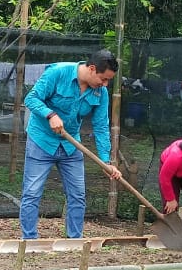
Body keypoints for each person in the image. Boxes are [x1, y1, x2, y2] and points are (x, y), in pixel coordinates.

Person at [19, 49, 123, 239]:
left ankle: (75, 240)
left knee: (77, 195)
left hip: (70, 145)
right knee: (32, 192)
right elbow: (31, 99)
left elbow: (101, 126)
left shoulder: (100, 92)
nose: (105, 84)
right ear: (92, 69)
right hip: (42, 141)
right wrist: (50, 114)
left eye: (108, 81)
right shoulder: (58, 73)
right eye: (104, 79)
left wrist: (105, 161)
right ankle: (29, 240)